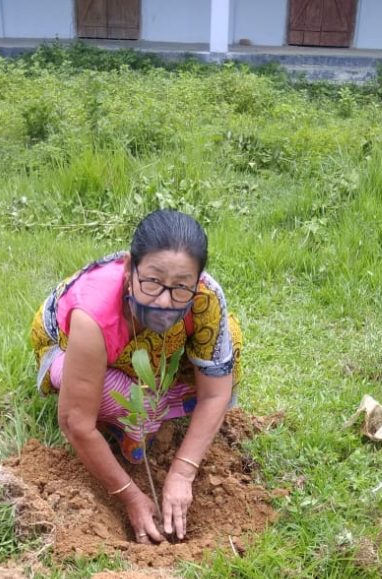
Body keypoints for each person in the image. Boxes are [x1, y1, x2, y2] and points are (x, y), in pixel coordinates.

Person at [30, 209, 242, 544]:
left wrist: (182, 472)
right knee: (127, 398)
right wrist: (130, 496)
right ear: (129, 269)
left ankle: (148, 410)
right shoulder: (93, 314)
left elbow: (216, 393)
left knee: (229, 343)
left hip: (151, 355)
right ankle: (127, 422)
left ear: (198, 281)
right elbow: (75, 422)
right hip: (69, 350)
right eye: (152, 282)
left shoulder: (205, 298)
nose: (165, 301)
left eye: (180, 288)